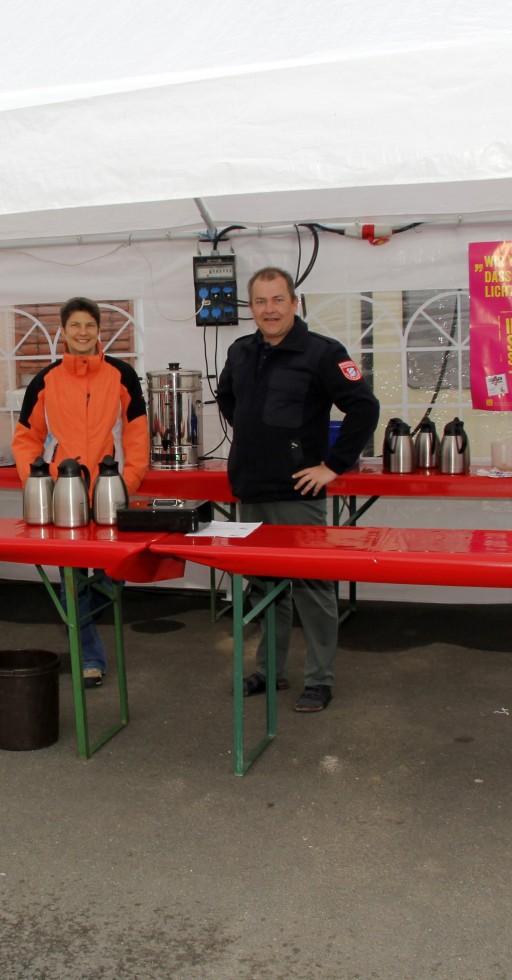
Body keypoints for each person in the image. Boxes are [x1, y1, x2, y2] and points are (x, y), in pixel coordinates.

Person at [216, 267, 380, 712]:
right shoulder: (240, 351)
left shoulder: (323, 353)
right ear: (252, 308)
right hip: (251, 488)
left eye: (277, 300)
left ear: (294, 302)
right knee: (264, 588)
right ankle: (271, 671)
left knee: (312, 589)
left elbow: (364, 408)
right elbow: (228, 397)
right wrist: (253, 435)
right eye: (260, 301)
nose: (269, 310)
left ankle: (319, 680)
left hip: (296, 494)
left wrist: (332, 466)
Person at [12, 296, 150, 688]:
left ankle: (86, 617)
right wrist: (38, 483)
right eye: (75, 325)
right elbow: (26, 438)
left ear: (99, 330)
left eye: (89, 325)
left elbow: (137, 434)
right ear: (63, 331)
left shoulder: (122, 375)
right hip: (64, 492)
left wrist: (127, 481)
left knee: (114, 572)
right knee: (71, 579)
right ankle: (90, 657)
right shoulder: (46, 380)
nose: (83, 332)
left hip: (109, 492)